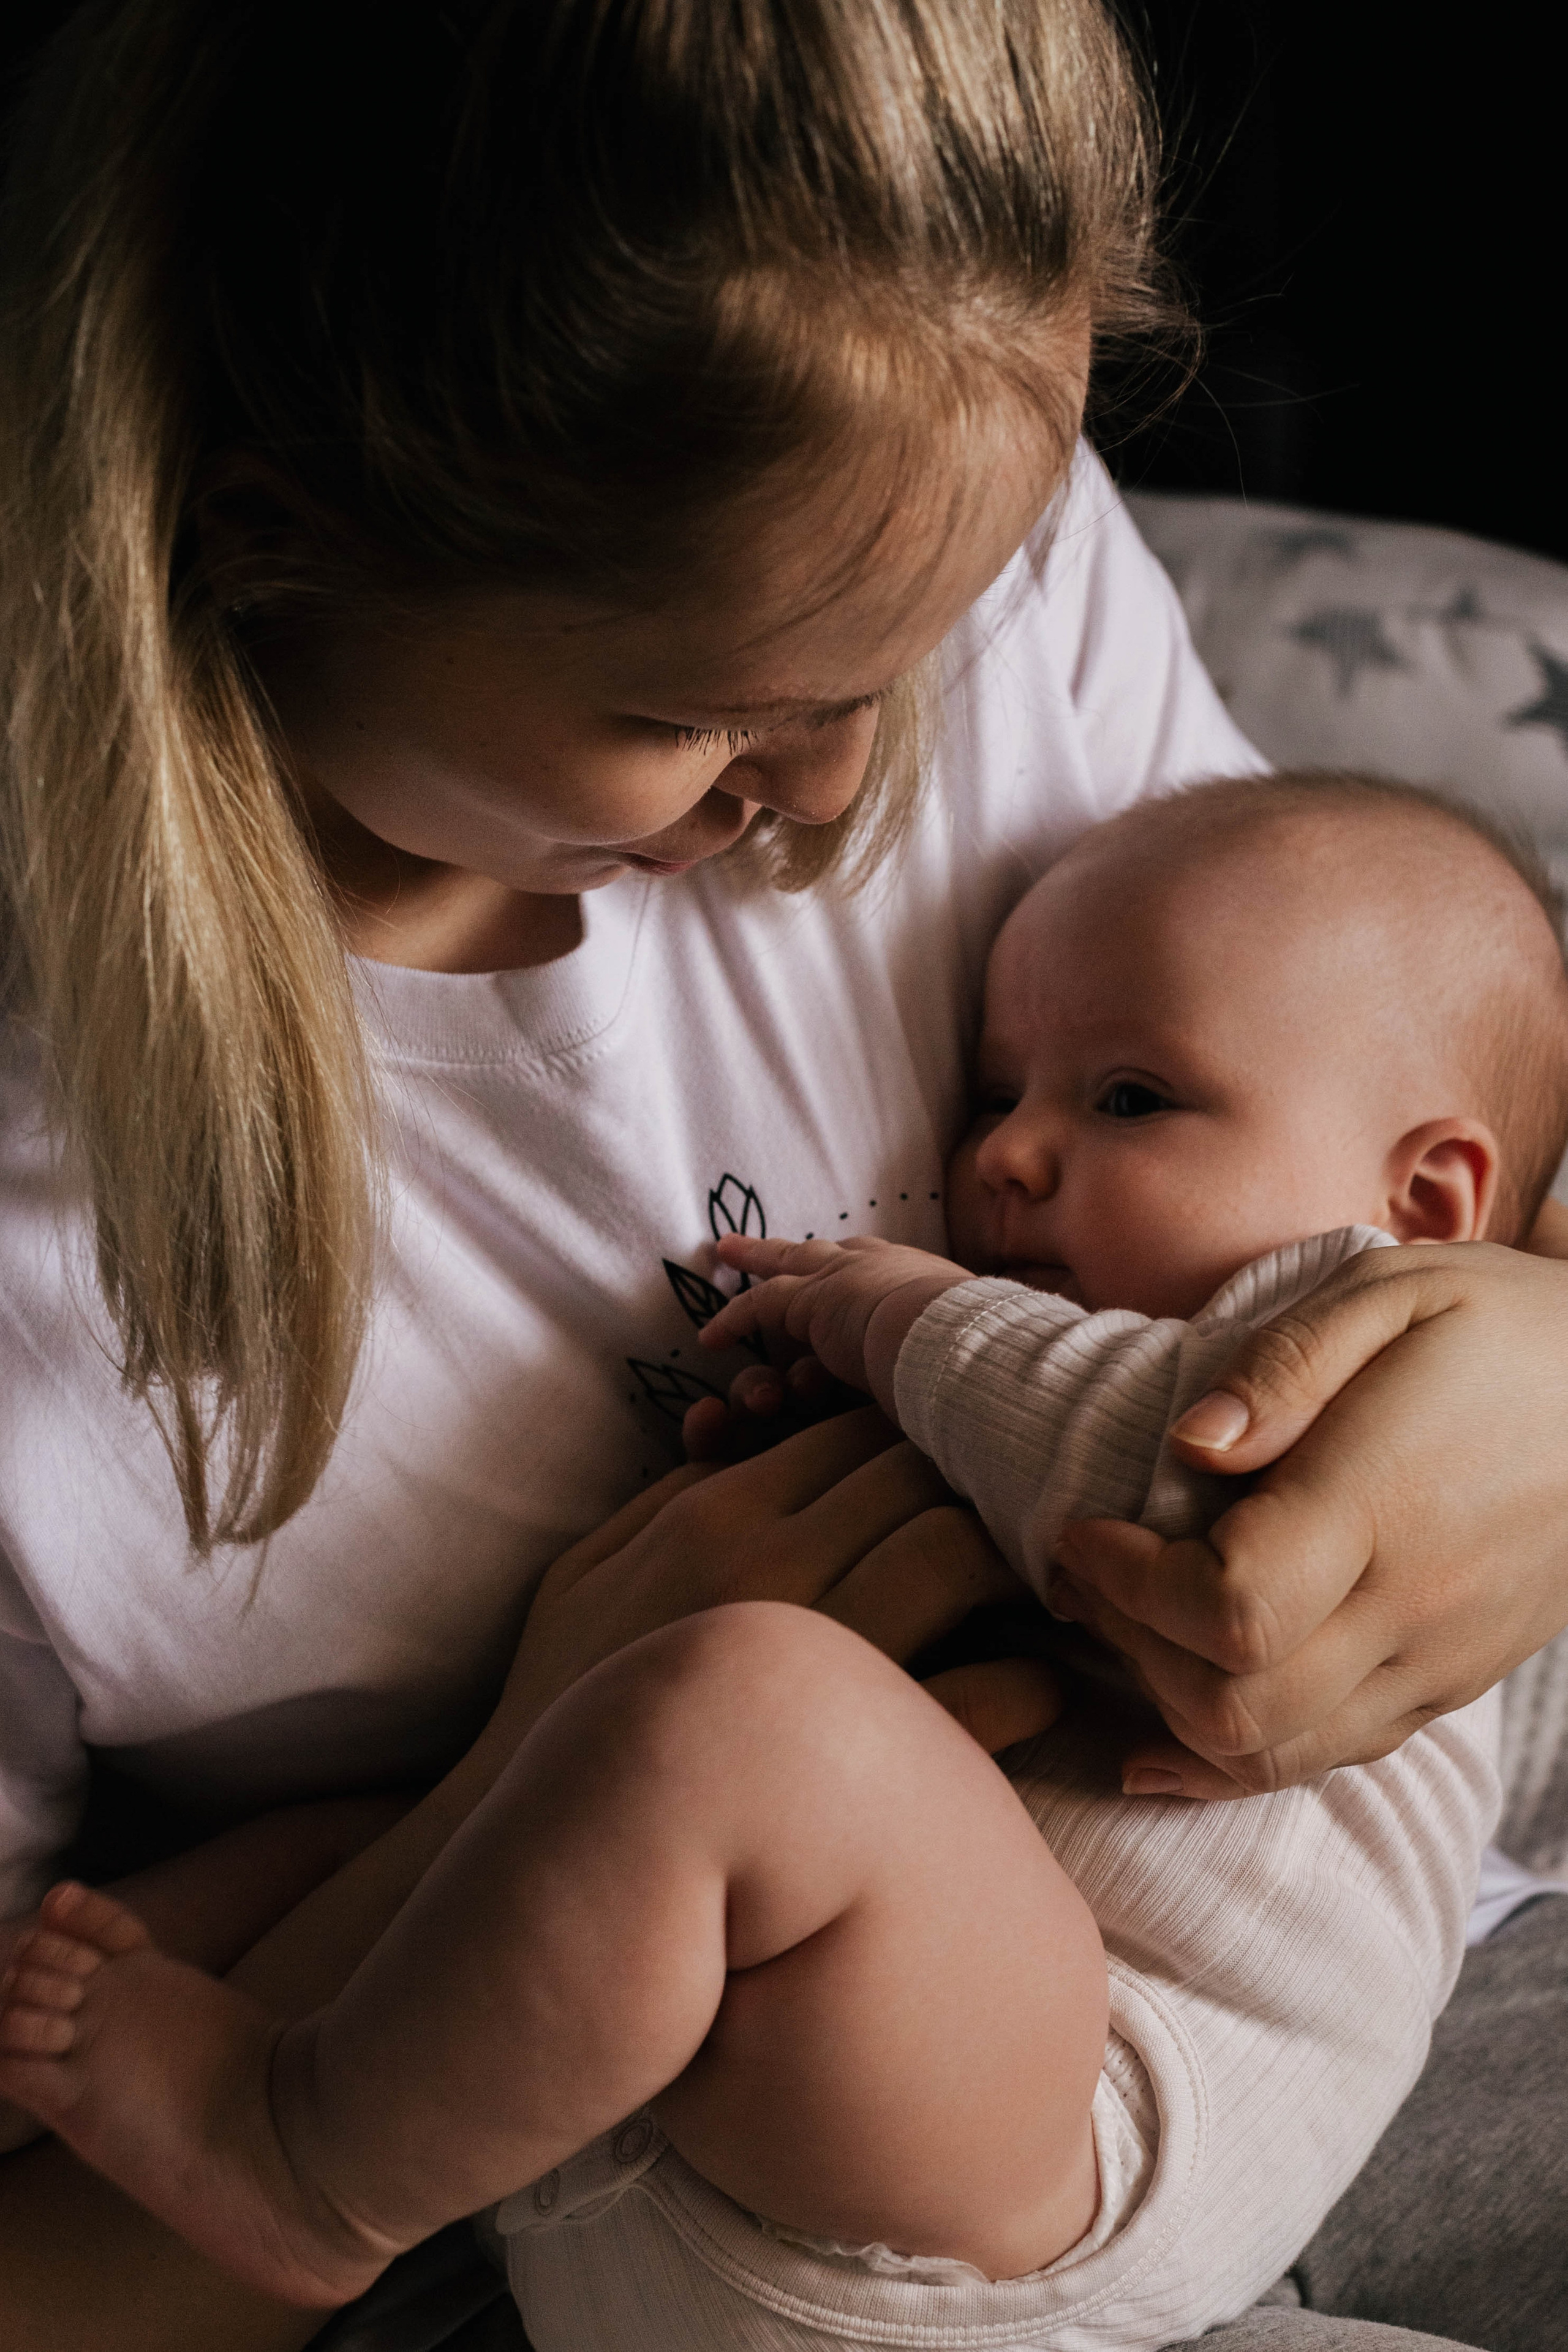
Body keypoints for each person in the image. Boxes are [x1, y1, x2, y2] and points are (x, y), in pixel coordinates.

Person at [1, 6, 1566, 2350]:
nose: (843, 800)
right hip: (779, 2197)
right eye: (705, 706)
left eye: (932, 640)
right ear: (267, 534)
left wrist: (1545, 1364)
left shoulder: (932, 495)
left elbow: (1425, 1077)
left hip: (1404, 1975)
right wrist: (530, 1780)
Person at [0, 770, 1556, 2352]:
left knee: (746, 1720)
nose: (1005, 1159)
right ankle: (92, 2029)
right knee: (473, 1807)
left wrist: (891, 1317)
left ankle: (305, 2171)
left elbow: (1154, 1477)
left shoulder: (1345, 1357)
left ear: (1426, 1197)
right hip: (687, 2142)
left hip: (1073, 2141)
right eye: (995, 1095)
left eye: (1131, 1101)